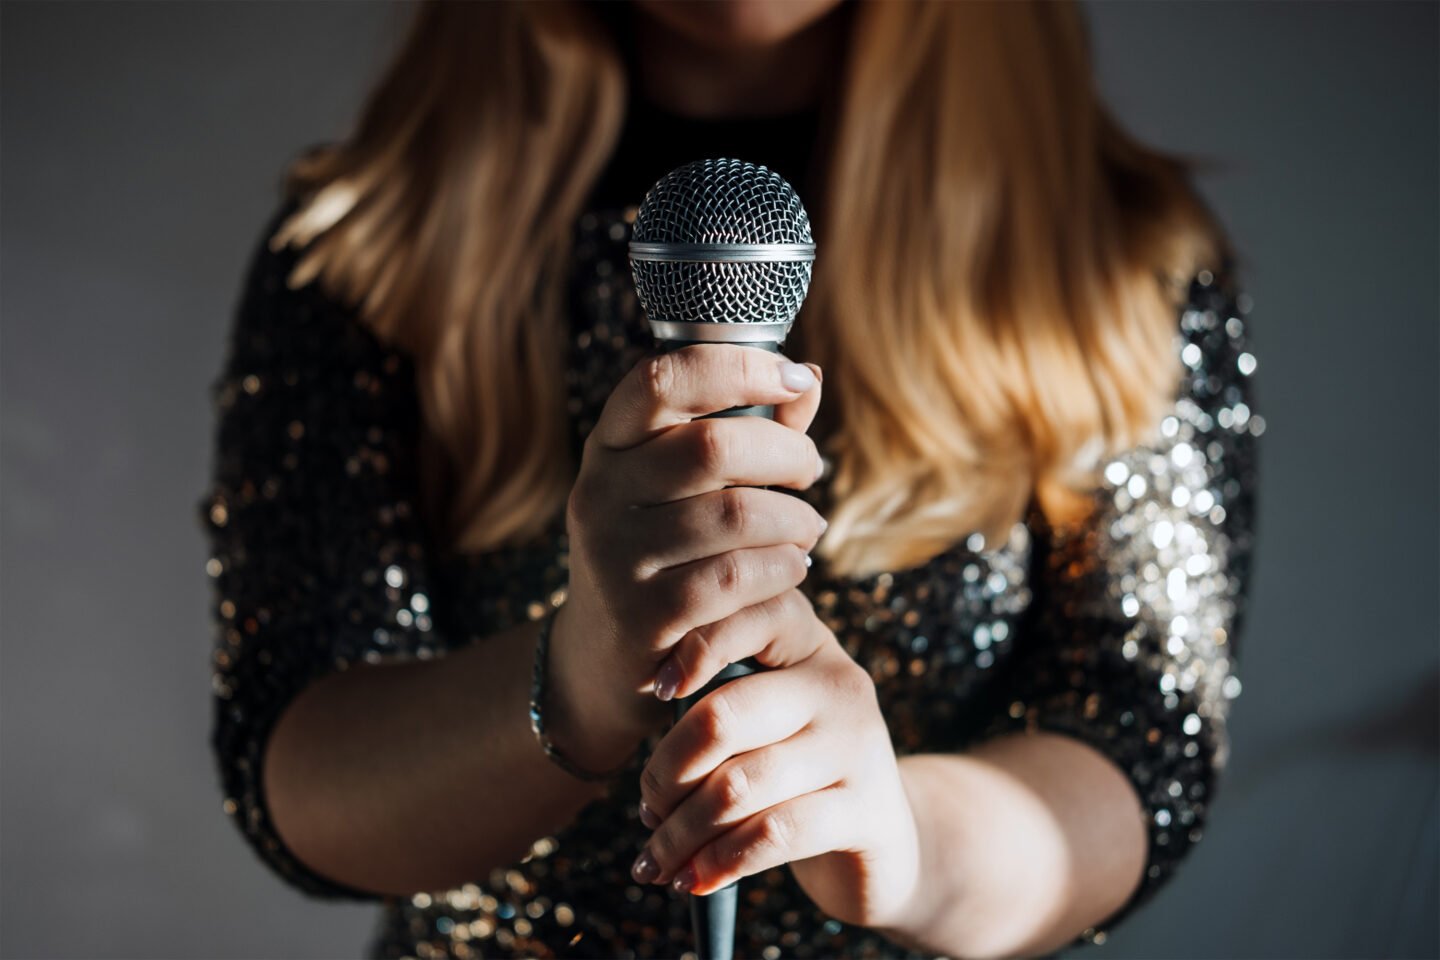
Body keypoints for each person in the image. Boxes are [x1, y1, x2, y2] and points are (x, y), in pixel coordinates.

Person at [199, 2, 1262, 957]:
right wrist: (581, 672)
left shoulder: (1118, 256)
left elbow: (1134, 742)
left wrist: (897, 833)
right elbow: (298, 762)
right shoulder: (364, 247)